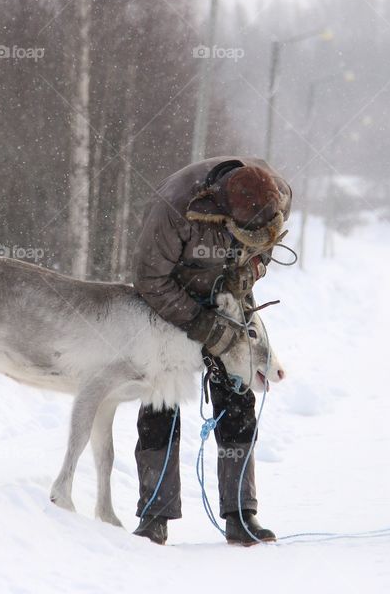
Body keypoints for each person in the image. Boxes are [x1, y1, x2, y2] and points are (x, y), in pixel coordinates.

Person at [131, 156, 292, 545]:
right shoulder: (176, 208)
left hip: (229, 294)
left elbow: (269, 246)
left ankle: (241, 513)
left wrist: (251, 268)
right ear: (222, 213)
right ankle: (155, 512)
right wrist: (204, 326)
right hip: (168, 298)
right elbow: (149, 278)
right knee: (161, 403)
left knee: (237, 398)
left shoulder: (278, 192)